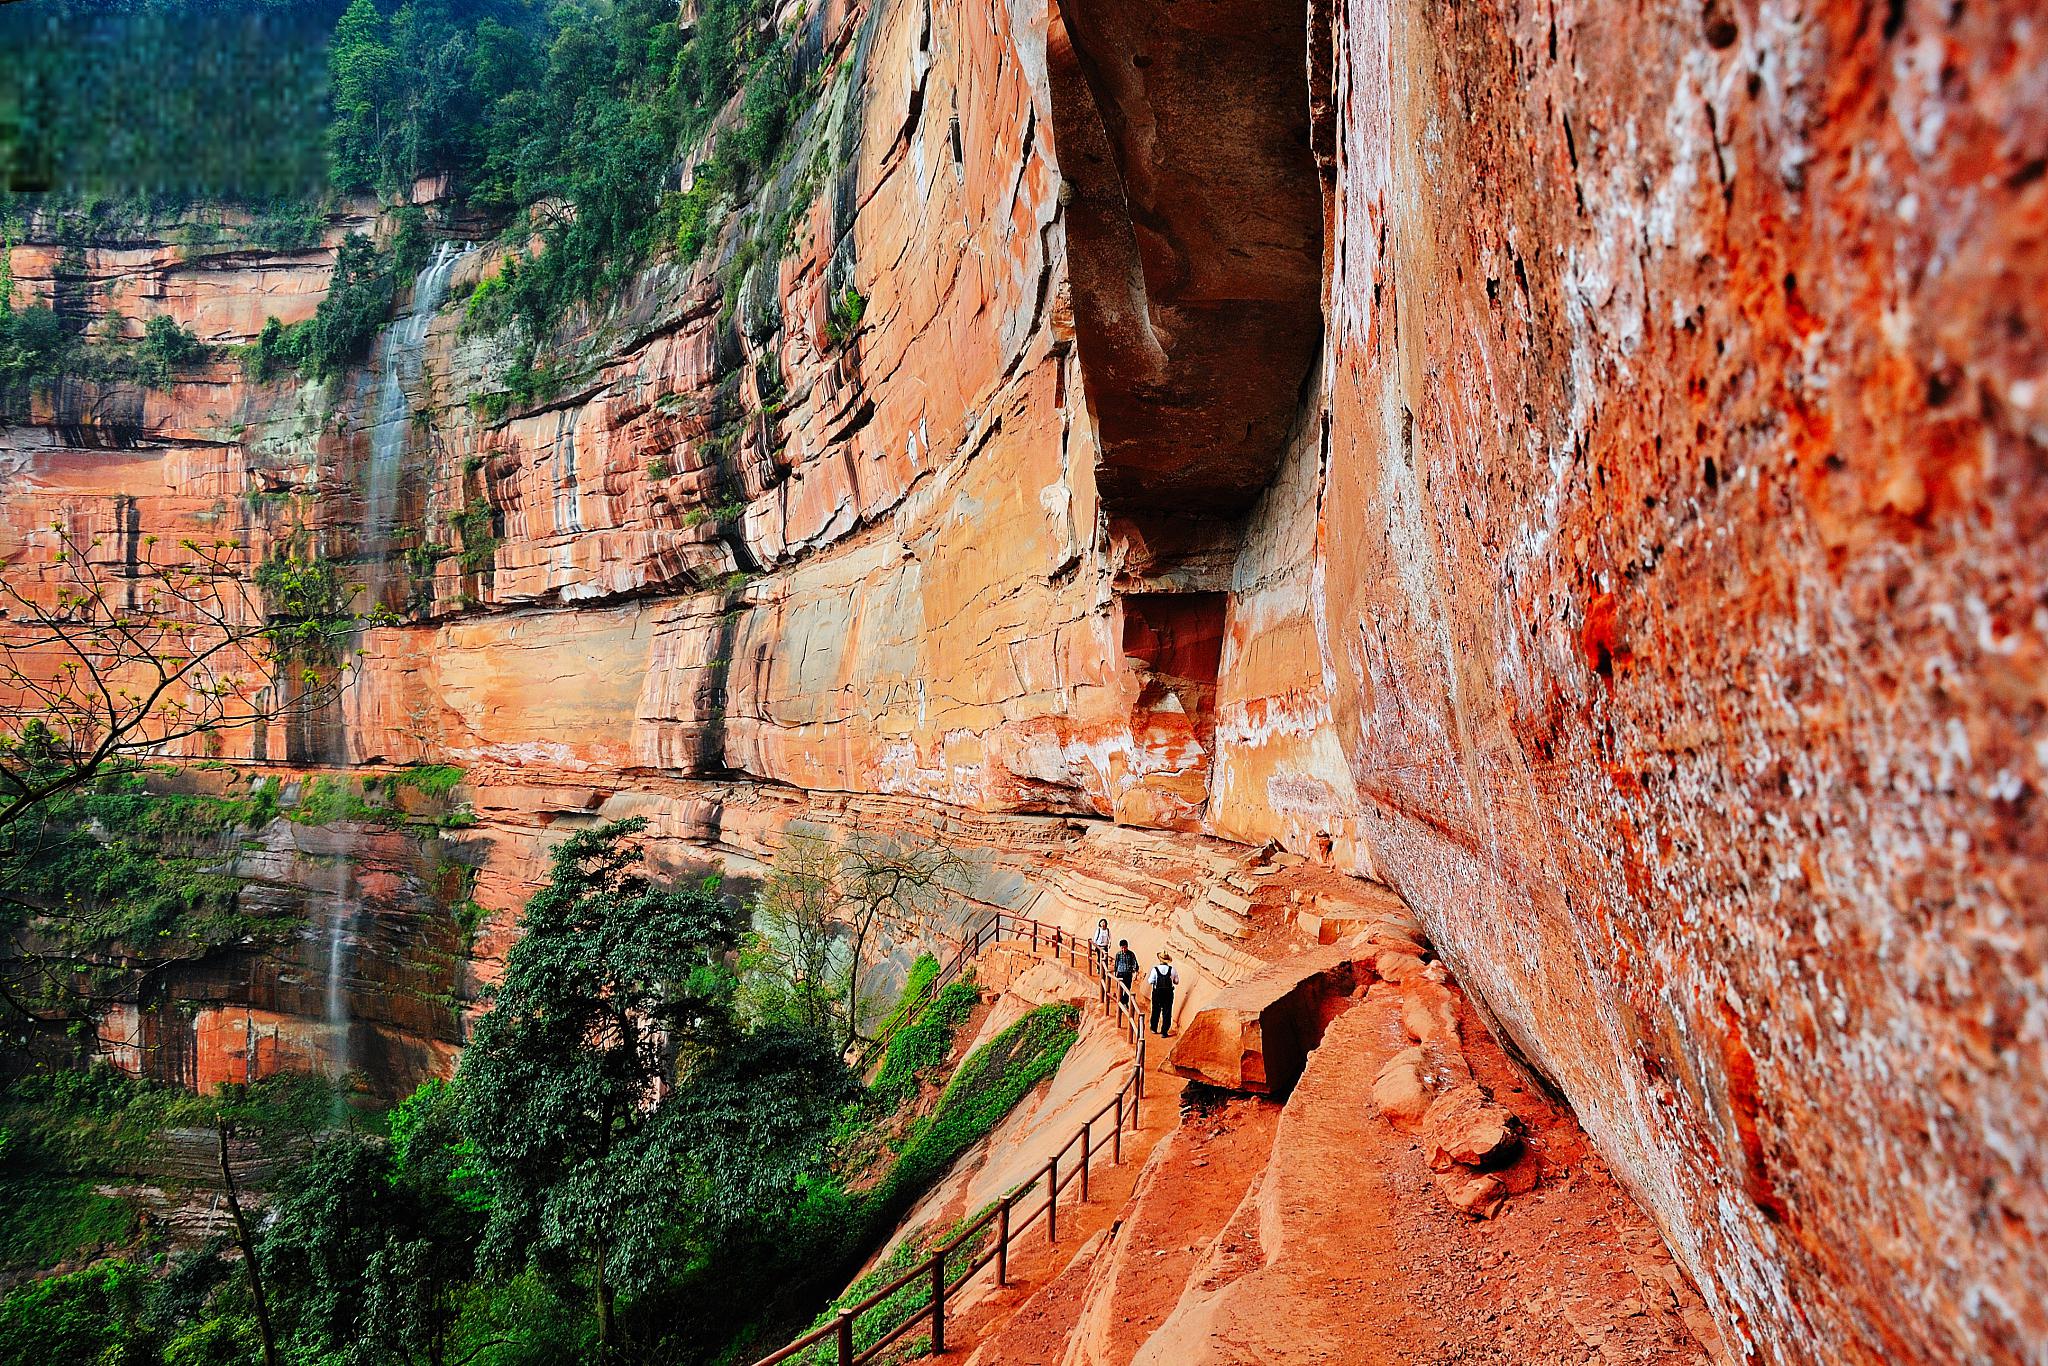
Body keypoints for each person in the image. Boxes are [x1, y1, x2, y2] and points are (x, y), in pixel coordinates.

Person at [1146, 951, 1180, 1037]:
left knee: (1156, 1010)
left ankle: (1154, 1028)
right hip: (1168, 993)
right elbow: (1176, 982)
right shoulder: (1172, 970)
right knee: (1167, 1011)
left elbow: (1150, 981)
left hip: (1157, 993)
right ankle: (1164, 1031)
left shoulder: (1155, 969)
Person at [1113, 939, 1138, 1008]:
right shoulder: (1118, 954)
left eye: (1125, 947)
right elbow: (1116, 964)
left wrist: (1135, 972)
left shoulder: (1131, 954)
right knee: (1120, 988)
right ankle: (1120, 1002)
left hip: (1128, 974)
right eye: (1122, 948)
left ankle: (1125, 1002)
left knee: (1127, 988)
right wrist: (1115, 973)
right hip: (1120, 974)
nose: (1123, 949)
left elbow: (1135, 963)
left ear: (1127, 946)